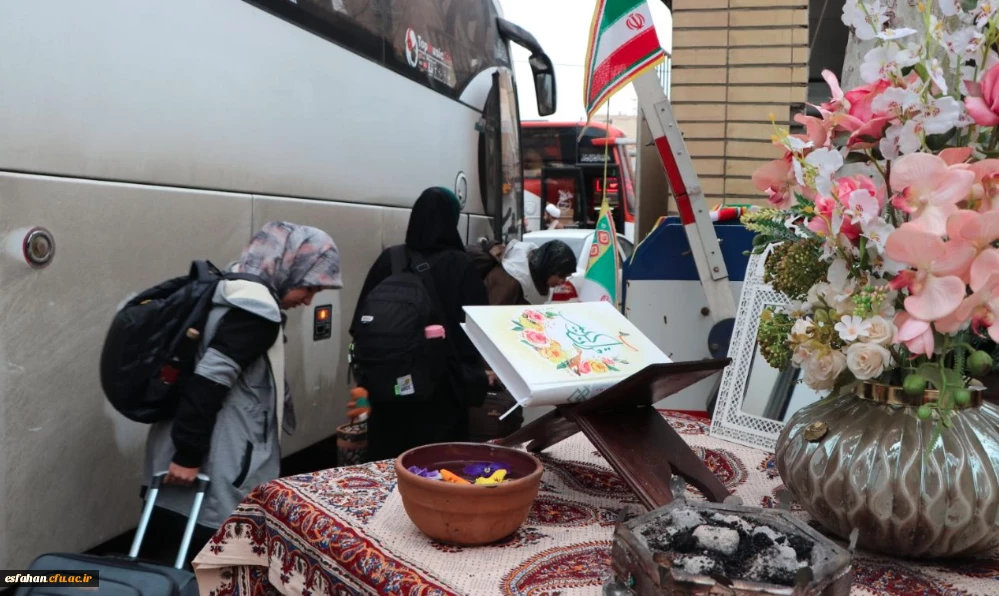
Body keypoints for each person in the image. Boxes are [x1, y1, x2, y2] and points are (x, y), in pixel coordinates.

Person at [142, 221, 342, 565]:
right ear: (288, 266)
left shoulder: (228, 287)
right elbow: (209, 380)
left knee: (172, 559)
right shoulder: (255, 311)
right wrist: (187, 455)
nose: (309, 300)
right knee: (210, 569)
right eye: (309, 287)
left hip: (197, 453)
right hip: (219, 464)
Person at [351, 187, 490, 461]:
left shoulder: (390, 259)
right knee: (438, 463)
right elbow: (476, 332)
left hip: (387, 389)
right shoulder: (461, 265)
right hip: (441, 391)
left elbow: (360, 323)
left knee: (387, 461)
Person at [468, 237, 577, 306]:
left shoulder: (539, 278)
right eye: (561, 275)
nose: (562, 281)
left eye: (567, 276)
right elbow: (491, 317)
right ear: (549, 267)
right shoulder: (510, 279)